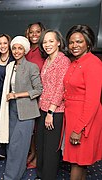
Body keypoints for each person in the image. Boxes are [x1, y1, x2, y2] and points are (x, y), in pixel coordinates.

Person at [0, 36, 42, 180]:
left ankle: (10, 177)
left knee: (19, 146)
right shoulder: (10, 66)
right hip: (12, 110)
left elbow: (38, 90)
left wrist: (17, 95)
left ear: (25, 50)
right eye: (14, 48)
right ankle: (15, 172)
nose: (16, 51)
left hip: (26, 112)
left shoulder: (31, 67)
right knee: (11, 144)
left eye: (20, 48)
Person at [63, 25, 102, 180]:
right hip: (73, 116)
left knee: (78, 163)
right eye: (71, 42)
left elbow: (92, 101)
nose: (74, 46)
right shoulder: (75, 62)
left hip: (85, 120)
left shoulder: (93, 63)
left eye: (79, 42)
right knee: (79, 162)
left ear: (88, 42)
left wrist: (78, 129)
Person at [35, 29, 71, 180]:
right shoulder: (48, 60)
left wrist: (50, 112)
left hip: (54, 111)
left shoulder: (63, 60)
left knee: (51, 149)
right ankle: (40, 174)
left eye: (51, 41)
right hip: (43, 107)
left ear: (58, 42)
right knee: (41, 144)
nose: (47, 44)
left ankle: (48, 177)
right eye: (45, 42)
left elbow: (60, 88)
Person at [25, 22, 46, 169]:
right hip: (27, 95)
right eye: (31, 32)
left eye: (37, 32)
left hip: (41, 95)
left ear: (42, 32)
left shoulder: (45, 50)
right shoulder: (26, 50)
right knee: (31, 128)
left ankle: (38, 156)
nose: (34, 35)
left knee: (39, 129)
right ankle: (32, 152)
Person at [0, 33, 14, 161]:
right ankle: (2, 148)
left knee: (11, 124)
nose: (2, 46)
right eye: (0, 43)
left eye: (5, 43)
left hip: (11, 96)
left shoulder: (14, 60)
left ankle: (11, 149)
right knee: (1, 123)